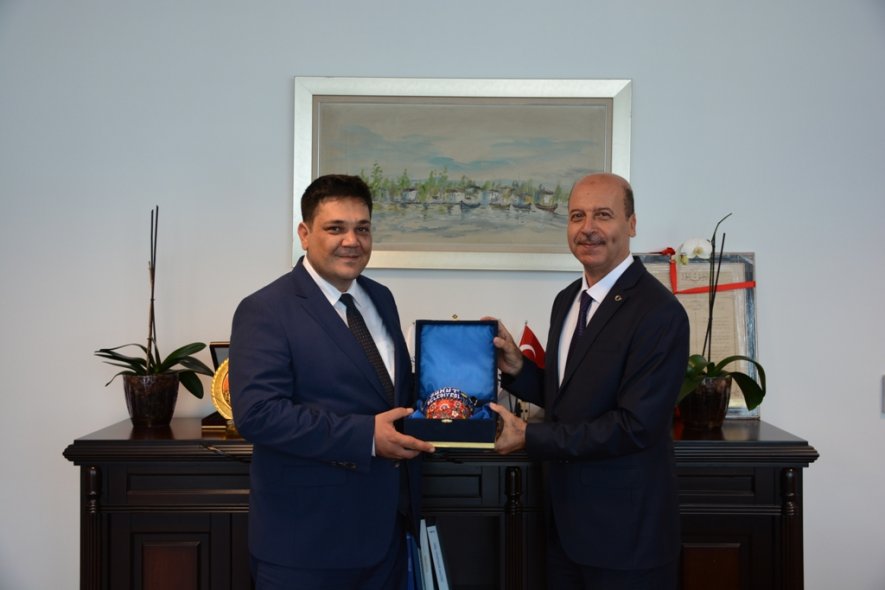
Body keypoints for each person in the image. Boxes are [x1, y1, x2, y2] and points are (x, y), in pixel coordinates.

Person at [229, 174, 435, 590]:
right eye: (336, 228)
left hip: (386, 534)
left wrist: (462, 388)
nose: (352, 241)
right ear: (305, 234)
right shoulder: (265, 309)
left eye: (362, 228)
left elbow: (388, 391)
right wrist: (366, 436)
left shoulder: (381, 297)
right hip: (306, 544)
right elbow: (258, 414)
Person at [487, 172, 690, 589]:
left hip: (627, 542)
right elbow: (570, 398)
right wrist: (518, 369)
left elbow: (635, 426)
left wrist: (530, 436)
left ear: (631, 224)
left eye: (603, 215)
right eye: (577, 216)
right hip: (565, 532)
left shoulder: (660, 313)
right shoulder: (568, 300)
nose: (588, 228)